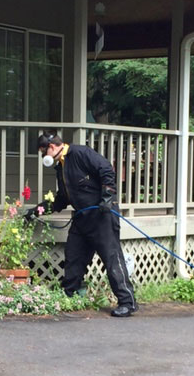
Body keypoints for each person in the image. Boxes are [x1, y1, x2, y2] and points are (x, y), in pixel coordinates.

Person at [27, 131, 137, 317]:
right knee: (74, 256)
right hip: (81, 218)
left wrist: (108, 197)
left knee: (111, 258)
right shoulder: (61, 168)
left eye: (43, 152)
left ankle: (127, 302)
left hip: (102, 215)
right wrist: (37, 210)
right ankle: (69, 295)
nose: (43, 156)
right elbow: (62, 199)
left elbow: (106, 169)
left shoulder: (80, 153)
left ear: (52, 147)